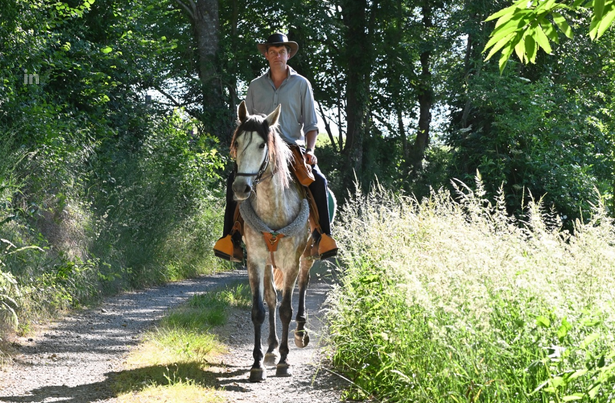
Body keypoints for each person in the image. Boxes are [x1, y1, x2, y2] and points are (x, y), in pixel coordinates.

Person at [214, 32, 338, 262]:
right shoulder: (255, 86)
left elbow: (311, 125)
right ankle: (231, 239)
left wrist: (310, 151)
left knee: (319, 181)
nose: (277, 55)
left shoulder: (302, 84)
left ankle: (323, 238)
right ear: (267, 56)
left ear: (288, 55)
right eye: (273, 52)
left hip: (291, 150)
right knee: (234, 181)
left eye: (282, 52)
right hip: (261, 150)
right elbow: (246, 124)